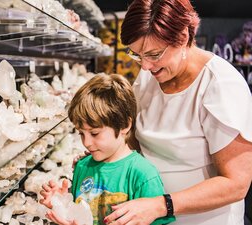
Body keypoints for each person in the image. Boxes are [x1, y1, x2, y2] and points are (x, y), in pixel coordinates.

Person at [101, 0, 252, 225]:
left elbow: (236, 184)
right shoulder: (150, 75)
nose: (144, 66)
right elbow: (134, 140)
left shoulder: (220, 85)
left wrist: (162, 205)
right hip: (150, 215)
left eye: (154, 54)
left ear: (183, 37)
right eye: (136, 55)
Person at [39, 74, 175, 225]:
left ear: (124, 125)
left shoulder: (143, 175)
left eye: (94, 133)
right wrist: (62, 204)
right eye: (81, 133)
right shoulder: (82, 166)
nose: (86, 143)